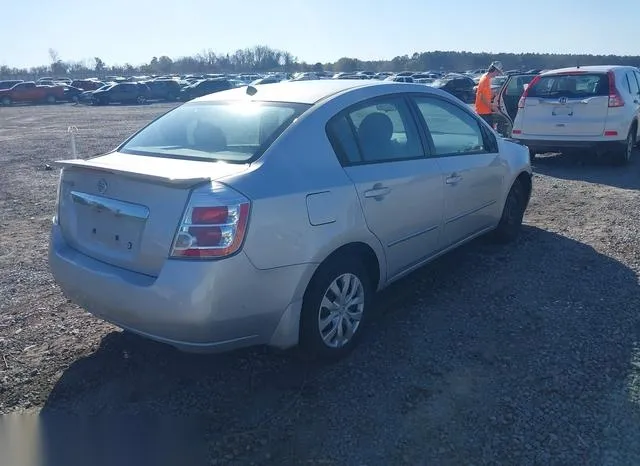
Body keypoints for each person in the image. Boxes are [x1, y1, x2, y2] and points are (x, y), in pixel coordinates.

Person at [475, 61, 503, 128]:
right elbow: (483, 99)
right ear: (495, 70)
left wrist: (494, 93)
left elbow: (485, 94)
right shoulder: (485, 80)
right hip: (484, 113)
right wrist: (496, 110)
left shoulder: (485, 77)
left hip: (483, 112)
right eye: (498, 72)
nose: (497, 74)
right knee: (489, 134)